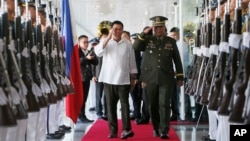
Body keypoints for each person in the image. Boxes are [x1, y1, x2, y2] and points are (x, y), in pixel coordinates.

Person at [133, 16, 184, 139]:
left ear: (164, 28)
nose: (158, 29)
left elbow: (177, 59)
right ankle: (156, 127)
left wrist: (180, 76)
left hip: (166, 78)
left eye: (160, 27)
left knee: (164, 104)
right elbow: (135, 46)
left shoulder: (170, 41)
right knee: (152, 105)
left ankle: (164, 130)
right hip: (150, 78)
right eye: (155, 27)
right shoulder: (147, 40)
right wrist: (144, 33)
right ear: (153, 28)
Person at [94, 20, 138, 139]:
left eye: (119, 29)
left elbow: (132, 61)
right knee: (110, 106)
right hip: (109, 80)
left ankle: (126, 129)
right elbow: (97, 52)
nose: (117, 31)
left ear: (122, 30)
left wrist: (133, 77)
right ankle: (113, 131)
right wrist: (108, 37)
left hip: (123, 80)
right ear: (111, 30)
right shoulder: (106, 42)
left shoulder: (128, 43)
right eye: (115, 29)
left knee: (125, 106)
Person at [169, 27, 193, 121]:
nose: (172, 37)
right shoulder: (175, 44)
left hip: (180, 74)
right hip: (176, 74)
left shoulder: (181, 45)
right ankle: (177, 113)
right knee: (176, 95)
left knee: (183, 95)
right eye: (171, 35)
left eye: (174, 35)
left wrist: (177, 72)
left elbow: (181, 61)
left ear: (178, 35)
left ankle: (186, 114)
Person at [78, 35, 98, 123]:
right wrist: (86, 58)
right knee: (81, 98)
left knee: (85, 97)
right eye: (84, 42)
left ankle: (82, 115)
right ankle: (80, 116)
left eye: (87, 42)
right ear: (79, 43)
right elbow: (77, 62)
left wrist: (92, 56)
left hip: (87, 77)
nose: (86, 44)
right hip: (80, 78)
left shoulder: (89, 51)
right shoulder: (77, 51)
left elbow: (96, 62)